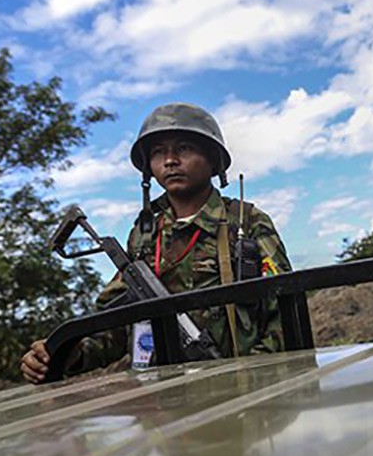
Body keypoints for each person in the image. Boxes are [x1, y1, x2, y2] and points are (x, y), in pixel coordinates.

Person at [20, 103, 292, 383]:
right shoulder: (144, 236)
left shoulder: (246, 223)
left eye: (184, 148)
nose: (170, 160)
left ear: (213, 160)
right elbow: (116, 327)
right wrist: (66, 353)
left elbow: (285, 315)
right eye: (158, 152)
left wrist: (248, 379)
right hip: (159, 404)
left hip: (239, 398)